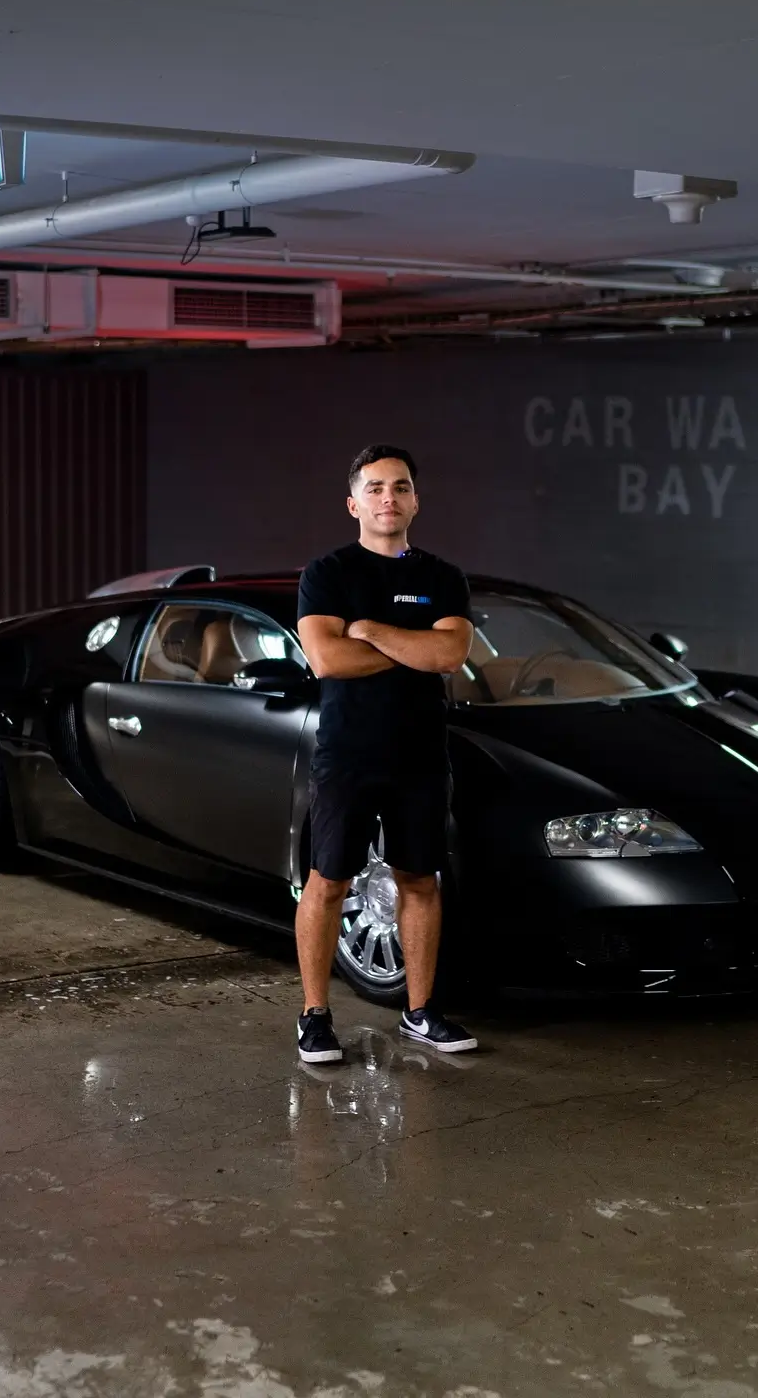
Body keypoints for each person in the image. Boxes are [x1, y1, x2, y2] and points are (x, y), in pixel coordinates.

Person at [293, 444, 478, 1063]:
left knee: (419, 880)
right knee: (328, 881)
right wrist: (413, 646)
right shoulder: (326, 574)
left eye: (399, 488)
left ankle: (420, 1013)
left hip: (421, 753)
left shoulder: (443, 578)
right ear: (354, 503)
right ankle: (315, 1017)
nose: (387, 499)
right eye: (374, 489)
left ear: (415, 501)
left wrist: (369, 630)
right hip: (348, 754)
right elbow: (326, 660)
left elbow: (449, 656)